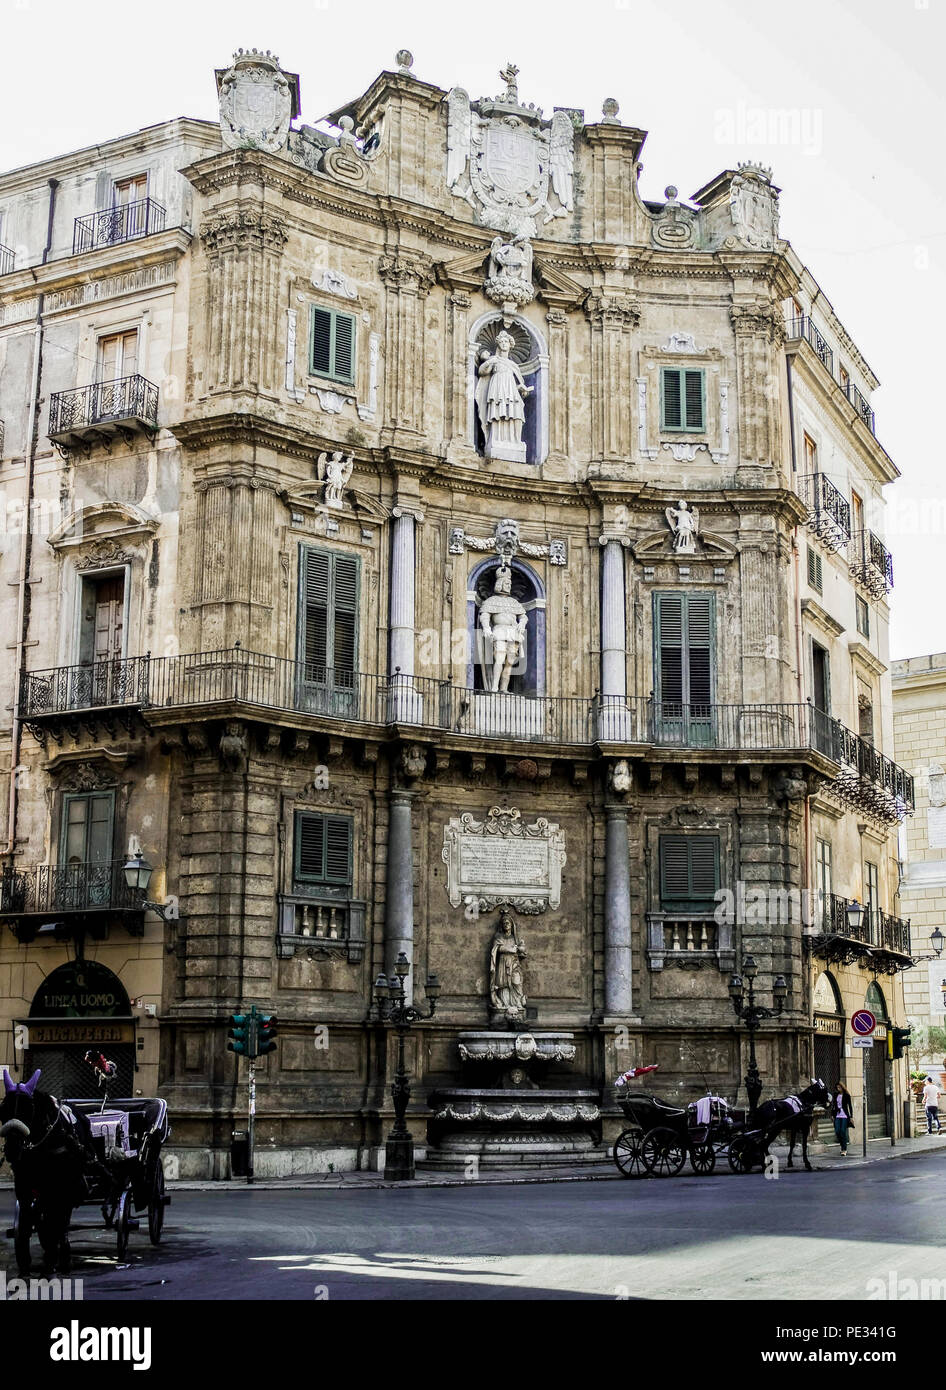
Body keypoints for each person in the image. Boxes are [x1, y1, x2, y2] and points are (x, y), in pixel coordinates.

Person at [833, 1082, 854, 1155]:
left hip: (844, 1115)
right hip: (837, 1115)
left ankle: (844, 1149)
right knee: (837, 1131)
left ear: (842, 1087)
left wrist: (851, 1116)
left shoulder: (847, 1095)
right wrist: (832, 1115)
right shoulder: (835, 1095)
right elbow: (834, 1106)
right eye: (837, 1087)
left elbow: (850, 1106)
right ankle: (842, 1145)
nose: (838, 1089)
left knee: (842, 1131)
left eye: (839, 1087)